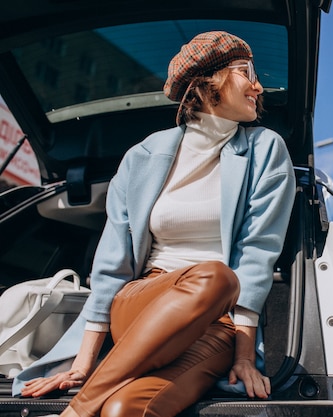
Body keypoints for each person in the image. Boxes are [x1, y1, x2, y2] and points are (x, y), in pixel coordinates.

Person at [13, 31, 296, 417]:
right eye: (246, 71)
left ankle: (90, 404)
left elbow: (256, 255)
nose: (258, 86)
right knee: (216, 277)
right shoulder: (141, 157)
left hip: (218, 325)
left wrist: (244, 357)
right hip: (141, 302)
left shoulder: (265, 150)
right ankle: (79, 410)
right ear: (208, 80)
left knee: (125, 409)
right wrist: (83, 361)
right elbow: (112, 264)